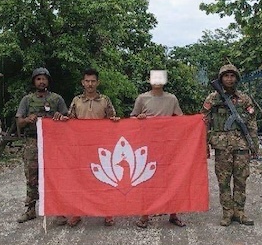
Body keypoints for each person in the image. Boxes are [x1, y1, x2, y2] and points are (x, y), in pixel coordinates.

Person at [202, 63, 258, 226]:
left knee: (241, 180)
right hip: (221, 146)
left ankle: (239, 212)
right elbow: (204, 121)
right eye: (226, 76)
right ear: (221, 79)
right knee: (223, 181)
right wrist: (204, 143)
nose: (229, 79)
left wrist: (254, 145)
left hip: (241, 146)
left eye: (232, 76)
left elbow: (252, 122)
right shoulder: (213, 98)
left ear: (237, 78)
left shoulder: (244, 99)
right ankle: (227, 213)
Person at [62, 68, 119, 227]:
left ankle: (107, 212)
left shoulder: (105, 100)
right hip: (81, 147)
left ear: (97, 82)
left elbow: (112, 120)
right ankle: (78, 212)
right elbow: (70, 121)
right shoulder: (76, 101)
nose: (90, 84)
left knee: (104, 179)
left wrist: (115, 121)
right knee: (79, 180)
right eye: (87, 81)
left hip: (101, 148)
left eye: (93, 81)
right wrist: (60, 122)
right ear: (82, 82)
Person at [130, 70, 186, 228]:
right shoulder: (142, 98)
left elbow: (180, 120)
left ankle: (173, 213)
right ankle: (145, 215)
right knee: (147, 179)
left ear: (165, 81)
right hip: (147, 146)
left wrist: (195, 122)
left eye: (160, 78)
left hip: (168, 146)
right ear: (149, 80)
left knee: (171, 179)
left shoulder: (172, 99)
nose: (157, 81)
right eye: (154, 78)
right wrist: (138, 118)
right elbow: (132, 118)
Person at [15, 67, 68, 223]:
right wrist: (27, 120)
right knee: (32, 176)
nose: (41, 81)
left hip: (53, 142)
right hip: (32, 141)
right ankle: (30, 209)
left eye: (44, 78)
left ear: (48, 81)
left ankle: (58, 211)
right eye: (38, 79)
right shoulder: (27, 100)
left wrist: (60, 116)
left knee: (55, 175)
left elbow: (67, 118)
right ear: (34, 81)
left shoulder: (57, 99)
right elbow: (19, 121)